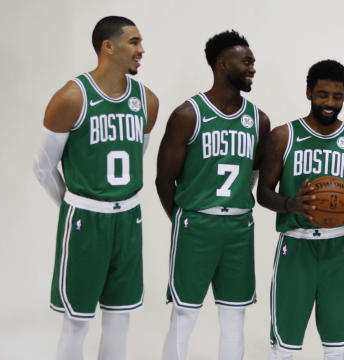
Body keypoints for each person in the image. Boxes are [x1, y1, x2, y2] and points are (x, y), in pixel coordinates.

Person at [33, 16, 159, 360]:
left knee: (120, 320)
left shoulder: (147, 101)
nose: (141, 50)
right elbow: (42, 167)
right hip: (86, 220)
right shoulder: (72, 97)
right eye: (133, 42)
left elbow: (137, 153)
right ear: (108, 46)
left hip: (129, 219)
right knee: (77, 322)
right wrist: (74, 206)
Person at [156, 30, 270, 360]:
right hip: (195, 225)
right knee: (184, 314)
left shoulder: (258, 120)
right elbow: (164, 180)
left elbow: (253, 174)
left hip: (238, 228)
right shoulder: (188, 115)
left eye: (253, 62)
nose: (252, 68)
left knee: (234, 316)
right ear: (222, 64)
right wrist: (183, 219)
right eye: (245, 61)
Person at [257, 59, 344, 360]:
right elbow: (262, 193)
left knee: (338, 346)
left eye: (337, 97)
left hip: (338, 248)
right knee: (284, 344)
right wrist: (289, 204)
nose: (330, 103)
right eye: (323, 95)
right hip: (295, 246)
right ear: (309, 91)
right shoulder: (283, 136)